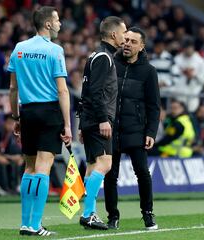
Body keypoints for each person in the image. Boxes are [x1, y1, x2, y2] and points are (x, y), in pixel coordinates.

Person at [7, 6, 72, 236]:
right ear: (47, 24)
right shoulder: (55, 50)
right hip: (49, 112)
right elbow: (62, 91)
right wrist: (67, 124)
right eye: (57, 20)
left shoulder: (19, 48)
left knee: (30, 167)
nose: (59, 24)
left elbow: (13, 88)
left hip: (27, 112)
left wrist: (16, 116)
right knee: (43, 168)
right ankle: (34, 225)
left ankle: (25, 223)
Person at [104, 27, 160, 230]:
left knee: (143, 173)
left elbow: (154, 106)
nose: (127, 44)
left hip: (136, 130)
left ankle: (148, 213)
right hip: (111, 130)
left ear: (142, 46)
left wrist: (151, 132)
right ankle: (112, 217)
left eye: (133, 41)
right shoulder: (111, 64)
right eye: (126, 39)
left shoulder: (149, 71)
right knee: (110, 175)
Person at [78, 16, 126, 230]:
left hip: (90, 120)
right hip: (98, 120)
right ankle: (88, 213)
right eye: (124, 34)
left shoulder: (95, 56)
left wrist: (83, 122)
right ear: (114, 34)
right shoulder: (104, 58)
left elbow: (85, 90)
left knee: (91, 167)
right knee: (105, 164)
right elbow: (95, 92)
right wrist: (103, 119)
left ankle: (89, 213)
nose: (125, 38)